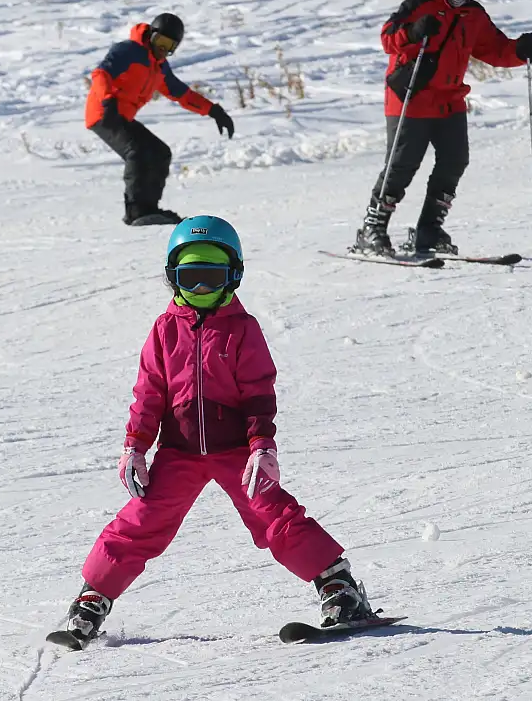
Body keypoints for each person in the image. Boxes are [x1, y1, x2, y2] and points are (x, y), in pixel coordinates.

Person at [58, 215, 377, 645]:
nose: (203, 290)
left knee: (275, 517)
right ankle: (92, 600)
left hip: (235, 451)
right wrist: (134, 446)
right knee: (138, 522)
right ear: (173, 278)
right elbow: (149, 393)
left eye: (213, 278)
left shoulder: (243, 329)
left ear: (234, 277)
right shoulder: (163, 330)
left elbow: (258, 391)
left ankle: (339, 589)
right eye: (192, 278)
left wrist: (263, 446)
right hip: (178, 453)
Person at [353, 0, 532, 257]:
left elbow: (494, 48)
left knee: (455, 160)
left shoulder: (473, 15)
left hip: (449, 102)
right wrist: (412, 32)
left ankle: (428, 229)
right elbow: (388, 37)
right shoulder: (419, 5)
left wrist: (519, 51)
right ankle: (373, 228)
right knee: (402, 166)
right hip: (411, 98)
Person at [85, 14, 236, 226]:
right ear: (150, 35)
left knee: (160, 152)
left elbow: (182, 94)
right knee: (136, 151)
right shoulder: (128, 51)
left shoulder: (159, 67)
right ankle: (135, 211)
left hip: (122, 116)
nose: (162, 49)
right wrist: (108, 101)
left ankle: (149, 209)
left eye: (169, 46)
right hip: (104, 113)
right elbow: (101, 74)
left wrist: (214, 110)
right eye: (160, 42)